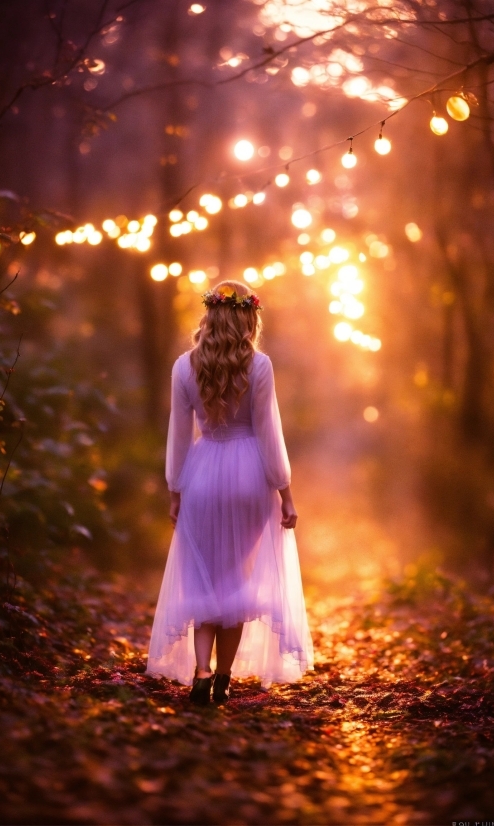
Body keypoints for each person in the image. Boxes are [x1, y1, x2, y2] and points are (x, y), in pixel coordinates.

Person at [146, 280, 313, 705]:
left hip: (201, 475)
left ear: (210, 315)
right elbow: (269, 434)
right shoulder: (258, 366)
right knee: (236, 579)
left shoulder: (184, 367)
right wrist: (285, 491)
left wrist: (175, 489)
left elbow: (179, 437)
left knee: (205, 579)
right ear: (248, 318)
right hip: (249, 478)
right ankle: (223, 677)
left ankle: (200, 671)